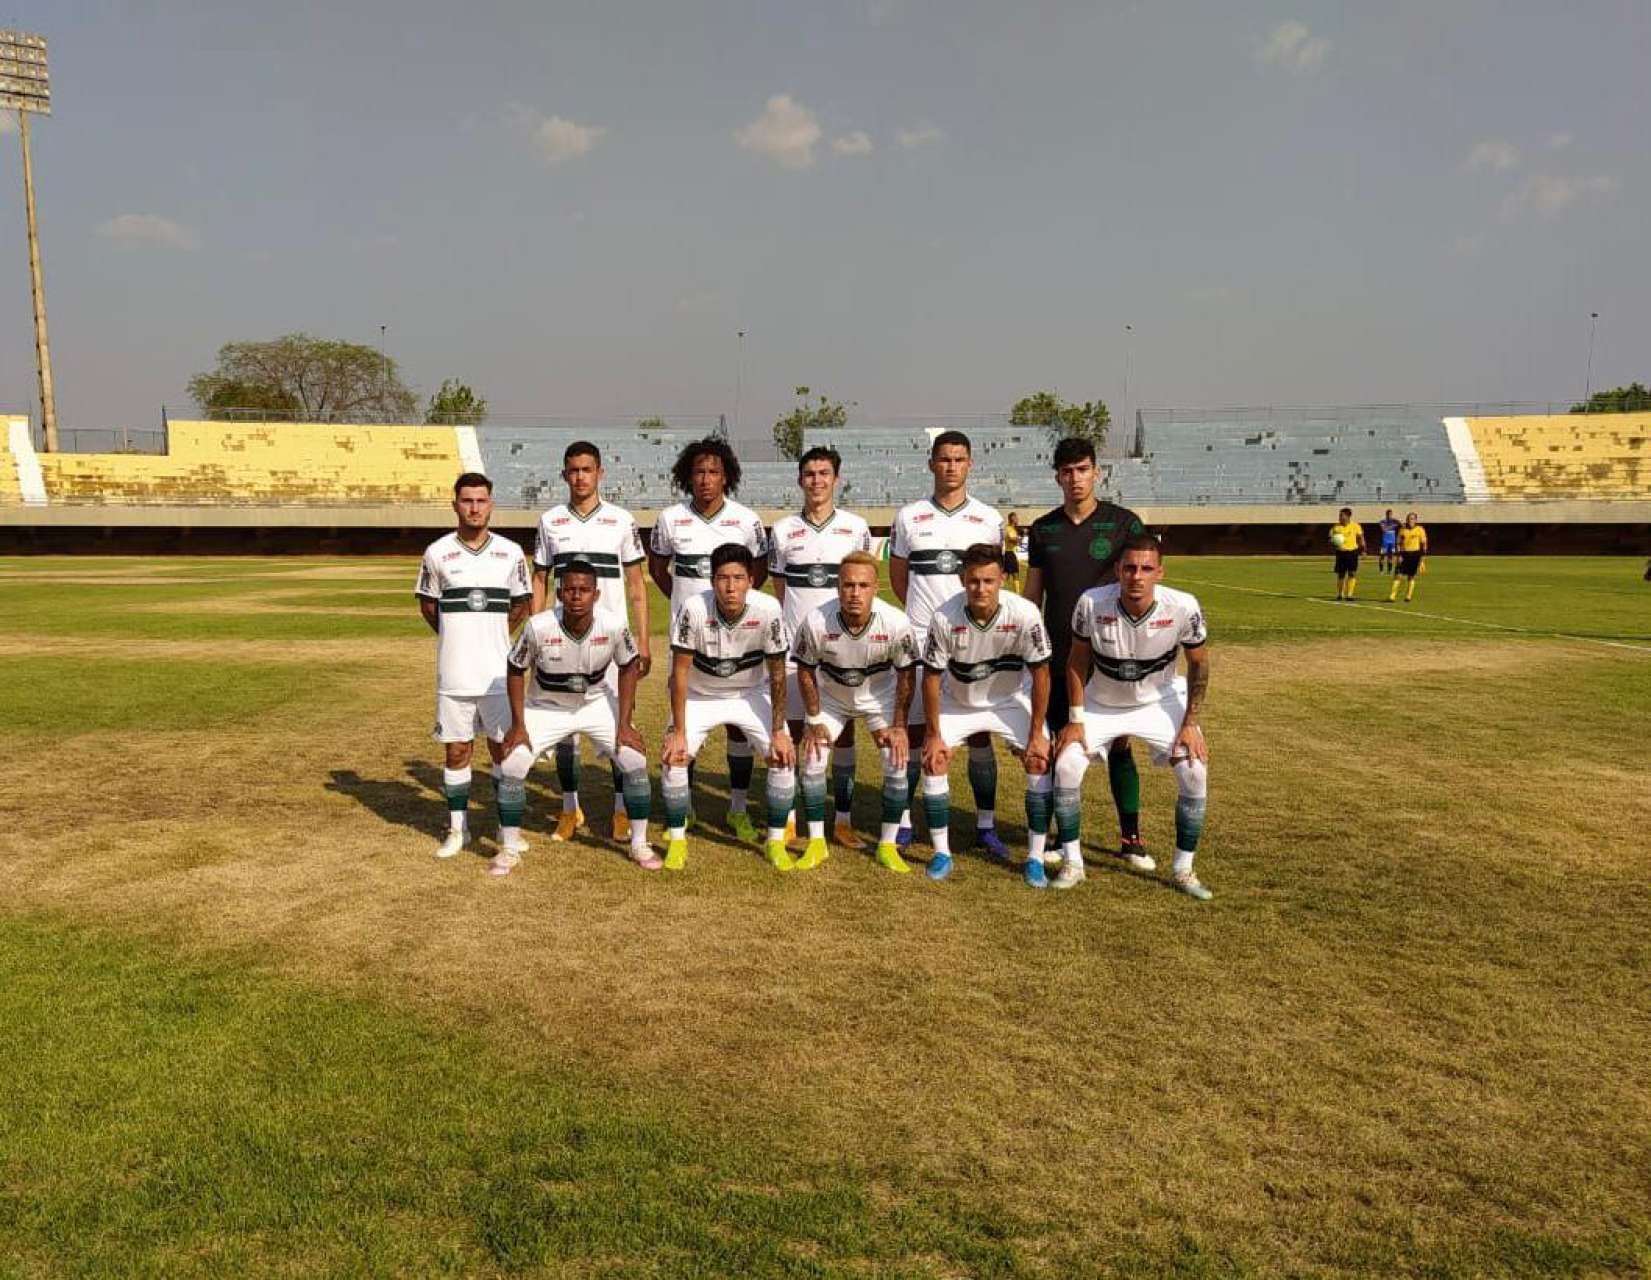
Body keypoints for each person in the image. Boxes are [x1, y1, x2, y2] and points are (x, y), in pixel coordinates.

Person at [1051, 535, 1213, 899]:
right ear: (1117, 570)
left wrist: (1190, 724)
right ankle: (1073, 863)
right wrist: (1075, 718)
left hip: (1161, 701)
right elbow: (1077, 660)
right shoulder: (1092, 603)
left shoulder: (1183, 606)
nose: (1136, 576)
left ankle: (1183, 869)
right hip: (1102, 702)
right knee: (1066, 766)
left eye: (1145, 569)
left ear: (1159, 572)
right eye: (1129, 568)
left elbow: (1199, 663)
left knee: (1194, 770)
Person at [1022, 437, 1154, 869]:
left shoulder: (1123, 524)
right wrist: (1031, 646)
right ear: (1056, 475)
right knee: (1064, 745)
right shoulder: (1044, 529)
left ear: (1096, 471)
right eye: (1067, 471)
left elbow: (1142, 587)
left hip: (1110, 657)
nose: (1075, 478)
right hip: (1059, 656)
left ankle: (1130, 836)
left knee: (1119, 744)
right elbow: (1033, 594)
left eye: (1082, 469)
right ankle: (1065, 833)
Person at [492, 561, 655, 875]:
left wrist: (624, 724)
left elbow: (630, 665)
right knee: (512, 764)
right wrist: (518, 724)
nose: (576, 596)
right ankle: (509, 850)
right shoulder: (538, 626)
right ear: (559, 593)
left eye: (583, 590)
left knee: (634, 760)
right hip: (547, 706)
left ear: (596, 594)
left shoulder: (613, 624)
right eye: (569, 590)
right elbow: (515, 668)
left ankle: (640, 844)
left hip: (595, 703)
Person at [888, 431, 1006, 856]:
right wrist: (927, 621)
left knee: (978, 734)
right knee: (918, 730)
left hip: (975, 641)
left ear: (970, 464)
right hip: (922, 637)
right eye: (944, 459)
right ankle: (902, 821)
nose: (951, 466)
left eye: (959, 459)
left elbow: (992, 578)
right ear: (931, 464)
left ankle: (986, 825)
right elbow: (899, 577)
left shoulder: (989, 519)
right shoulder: (909, 516)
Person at [648, 437, 769, 840]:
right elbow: (660, 570)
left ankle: (737, 808)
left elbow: (760, 573)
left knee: (739, 726)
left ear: (726, 476)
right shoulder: (670, 519)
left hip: (737, 641)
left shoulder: (746, 520)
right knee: (682, 723)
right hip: (689, 642)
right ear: (688, 475)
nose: (705, 479)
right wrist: (690, 609)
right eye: (698, 471)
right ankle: (688, 806)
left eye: (713, 471)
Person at [531, 441, 651, 845]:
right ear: (564, 475)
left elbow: (637, 585)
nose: (580, 477)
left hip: (610, 644)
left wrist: (643, 640)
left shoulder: (621, 520)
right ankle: (569, 808)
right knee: (567, 731)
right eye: (573, 470)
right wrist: (534, 632)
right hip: (562, 642)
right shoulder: (550, 521)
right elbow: (540, 580)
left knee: (620, 725)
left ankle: (620, 809)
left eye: (587, 469)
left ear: (600, 472)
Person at [917, 544, 1054, 885]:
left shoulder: (1025, 614)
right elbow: (931, 678)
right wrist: (933, 734)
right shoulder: (944, 616)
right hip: (958, 702)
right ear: (963, 579)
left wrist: (1037, 732)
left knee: (1039, 759)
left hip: (1008, 700)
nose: (981, 588)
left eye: (989, 581)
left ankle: (1035, 857)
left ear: (1003, 580)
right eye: (974, 580)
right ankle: (941, 852)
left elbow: (1041, 674)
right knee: (934, 760)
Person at [414, 473, 532, 860]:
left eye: (481, 500)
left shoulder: (511, 552)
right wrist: (455, 634)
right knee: (456, 752)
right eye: (467, 500)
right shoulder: (436, 552)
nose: (475, 507)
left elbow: (522, 604)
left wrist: (496, 631)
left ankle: (504, 827)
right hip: (455, 674)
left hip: (499, 675)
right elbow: (429, 606)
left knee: (503, 753)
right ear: (455, 505)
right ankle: (458, 829)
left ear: (491, 504)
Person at [660, 544, 796, 871]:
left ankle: (775, 841)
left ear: (752, 580)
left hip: (749, 693)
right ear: (712, 580)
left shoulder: (768, 609)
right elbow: (678, 672)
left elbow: (778, 672)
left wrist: (779, 731)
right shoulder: (693, 608)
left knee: (783, 756)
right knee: (674, 756)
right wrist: (678, 731)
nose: (730, 587)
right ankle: (677, 837)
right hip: (700, 693)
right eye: (722, 578)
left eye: (738, 578)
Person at [768, 446, 873, 850]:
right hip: (799, 654)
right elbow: (782, 590)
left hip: (843, 652)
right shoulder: (782, 531)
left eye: (824, 473)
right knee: (795, 733)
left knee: (843, 737)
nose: (816, 481)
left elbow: (862, 583)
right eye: (809, 474)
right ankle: (793, 818)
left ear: (836, 479)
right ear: (800, 480)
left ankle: (842, 821)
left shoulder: (855, 527)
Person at [792, 551, 919, 874]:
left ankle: (887, 846)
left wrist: (900, 725)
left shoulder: (896, 622)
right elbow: (805, 669)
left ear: (877, 587)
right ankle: (818, 842)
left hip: (879, 698)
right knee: (813, 759)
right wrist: (815, 719)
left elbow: (907, 673)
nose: (855, 593)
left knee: (896, 760)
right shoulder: (816, 620)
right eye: (848, 585)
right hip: (832, 699)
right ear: (837, 588)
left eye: (863, 585)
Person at [1389, 512, 1428, 602]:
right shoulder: (1402, 530)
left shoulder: (1420, 530)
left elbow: (1424, 544)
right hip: (1404, 554)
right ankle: (1392, 596)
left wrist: (1422, 559)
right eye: (1408, 519)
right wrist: (1399, 555)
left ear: (1415, 520)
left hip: (1415, 554)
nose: (1410, 520)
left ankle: (1408, 596)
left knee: (1411, 576)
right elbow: (1398, 543)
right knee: (1398, 575)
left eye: (1412, 519)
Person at [1329, 507, 1366, 600]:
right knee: (1341, 574)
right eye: (1340, 515)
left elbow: (1361, 538)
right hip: (1340, 552)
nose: (1340, 517)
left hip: (1352, 552)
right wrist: (1333, 542)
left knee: (1352, 573)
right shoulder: (1335, 527)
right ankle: (1340, 594)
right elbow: (1330, 539)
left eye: (1342, 515)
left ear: (1348, 516)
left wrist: (1363, 550)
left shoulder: (1355, 526)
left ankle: (1349, 595)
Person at [1002, 511, 1024, 593]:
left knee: (1007, 573)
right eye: (1016, 518)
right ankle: (1017, 593)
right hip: (1010, 553)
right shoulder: (1009, 529)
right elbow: (1012, 539)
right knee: (1014, 573)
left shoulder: (1013, 529)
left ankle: (1000, 589)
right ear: (1012, 519)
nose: (1017, 519)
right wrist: (1020, 538)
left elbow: (1017, 541)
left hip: (1010, 553)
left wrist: (1019, 538)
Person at [1377, 508, 1401, 575]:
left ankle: (1389, 571)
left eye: (1391, 514)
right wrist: (1393, 526)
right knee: (1382, 556)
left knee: (1391, 556)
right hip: (1385, 542)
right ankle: (1381, 571)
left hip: (1392, 542)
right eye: (1388, 514)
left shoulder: (1394, 521)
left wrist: (1396, 521)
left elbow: (1401, 524)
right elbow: (1383, 529)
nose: (1389, 516)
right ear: (1386, 514)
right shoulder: (1382, 521)